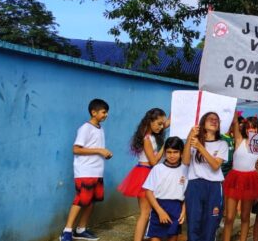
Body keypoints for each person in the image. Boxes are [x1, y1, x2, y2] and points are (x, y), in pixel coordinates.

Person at [59, 99, 112, 241]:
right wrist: (100, 151)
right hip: (85, 172)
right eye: (103, 112)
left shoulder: (100, 129)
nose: (106, 115)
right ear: (93, 112)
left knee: (91, 200)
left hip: (96, 172)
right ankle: (67, 231)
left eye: (107, 112)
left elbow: (95, 149)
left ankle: (81, 229)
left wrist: (103, 154)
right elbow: (76, 149)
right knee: (81, 199)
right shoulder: (85, 128)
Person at [117, 108, 168, 241]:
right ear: (150, 121)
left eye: (162, 124)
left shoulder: (150, 135)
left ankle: (148, 235)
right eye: (158, 123)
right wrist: (165, 146)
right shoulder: (147, 138)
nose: (161, 127)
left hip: (149, 173)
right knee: (145, 213)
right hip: (145, 174)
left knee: (149, 212)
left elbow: (165, 123)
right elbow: (153, 161)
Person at [183, 112, 230, 241]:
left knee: (210, 224)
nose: (214, 121)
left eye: (217, 120)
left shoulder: (222, 144)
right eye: (210, 119)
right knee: (193, 223)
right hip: (195, 185)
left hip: (214, 186)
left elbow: (215, 165)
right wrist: (189, 138)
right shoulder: (194, 141)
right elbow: (186, 161)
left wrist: (200, 147)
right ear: (203, 123)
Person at [222, 115, 258, 241]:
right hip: (235, 179)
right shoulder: (239, 139)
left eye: (254, 127)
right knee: (229, 217)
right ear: (245, 128)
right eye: (249, 127)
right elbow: (235, 121)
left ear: (257, 129)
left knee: (245, 216)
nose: (251, 130)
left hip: (250, 180)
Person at [142, 137, 188, 241]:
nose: (172, 155)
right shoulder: (158, 169)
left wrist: (183, 212)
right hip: (158, 207)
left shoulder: (185, 170)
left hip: (176, 208)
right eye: (169, 152)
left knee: (173, 237)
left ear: (181, 153)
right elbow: (148, 192)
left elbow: (187, 193)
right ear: (164, 153)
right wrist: (159, 211)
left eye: (175, 152)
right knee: (154, 238)